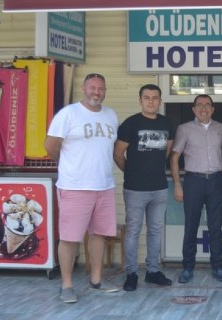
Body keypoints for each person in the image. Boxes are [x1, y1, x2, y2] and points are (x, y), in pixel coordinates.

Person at [45, 73, 119, 303]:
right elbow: (50, 146)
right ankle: (66, 285)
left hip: (104, 185)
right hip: (75, 186)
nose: (97, 92)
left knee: (99, 234)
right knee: (69, 237)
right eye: (92, 88)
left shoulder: (111, 115)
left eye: (101, 88)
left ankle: (96, 280)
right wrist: (67, 165)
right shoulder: (68, 114)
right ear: (84, 89)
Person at [113, 84, 174, 292]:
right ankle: (131, 273)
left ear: (160, 101)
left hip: (159, 187)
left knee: (155, 230)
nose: (151, 101)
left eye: (155, 98)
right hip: (135, 189)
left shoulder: (166, 123)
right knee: (133, 231)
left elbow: (166, 152)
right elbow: (118, 154)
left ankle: (152, 271)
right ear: (140, 100)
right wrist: (131, 172)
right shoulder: (131, 124)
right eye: (147, 97)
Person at [170, 94, 222, 284]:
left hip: (216, 181)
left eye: (207, 104)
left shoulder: (221, 128)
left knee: (215, 227)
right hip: (194, 181)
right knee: (191, 226)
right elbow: (174, 158)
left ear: (213, 109)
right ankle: (188, 267)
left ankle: (217, 267)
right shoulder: (184, 129)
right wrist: (178, 184)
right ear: (193, 109)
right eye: (200, 105)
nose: (204, 108)